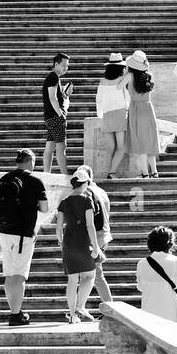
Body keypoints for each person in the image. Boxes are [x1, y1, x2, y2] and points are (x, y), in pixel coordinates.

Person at [0, 148, 50, 326]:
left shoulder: (3, 179)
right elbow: (45, 208)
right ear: (30, 161)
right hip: (23, 233)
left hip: (5, 231)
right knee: (19, 275)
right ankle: (15, 314)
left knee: (9, 275)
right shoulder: (34, 181)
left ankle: (14, 311)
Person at [55, 168, 102, 323]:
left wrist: (61, 243)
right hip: (83, 241)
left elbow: (58, 227)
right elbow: (90, 225)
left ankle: (72, 314)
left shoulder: (64, 202)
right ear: (85, 183)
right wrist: (95, 247)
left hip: (68, 242)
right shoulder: (87, 200)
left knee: (72, 280)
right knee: (89, 275)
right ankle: (80, 307)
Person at [135, 226, 177, 323]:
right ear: (169, 243)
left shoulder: (141, 263)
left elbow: (140, 287)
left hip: (149, 308)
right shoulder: (175, 261)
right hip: (171, 308)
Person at [78, 165, 114, 303]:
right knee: (95, 275)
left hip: (94, 237)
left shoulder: (86, 192)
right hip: (104, 235)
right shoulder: (101, 191)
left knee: (95, 276)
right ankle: (79, 307)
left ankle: (110, 309)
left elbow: (87, 220)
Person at [125, 50, 161, 177]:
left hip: (135, 109)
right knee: (149, 142)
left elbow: (119, 87)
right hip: (148, 108)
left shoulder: (130, 77)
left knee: (140, 144)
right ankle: (155, 172)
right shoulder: (149, 77)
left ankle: (145, 174)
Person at [96, 53, 131, 178]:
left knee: (110, 147)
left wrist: (99, 114)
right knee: (120, 148)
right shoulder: (122, 80)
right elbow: (128, 98)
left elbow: (98, 99)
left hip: (106, 114)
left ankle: (108, 172)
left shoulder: (103, 81)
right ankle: (111, 172)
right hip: (120, 114)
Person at [41, 52, 73, 178]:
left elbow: (57, 98)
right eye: (64, 65)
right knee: (61, 147)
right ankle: (65, 175)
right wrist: (61, 115)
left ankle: (46, 174)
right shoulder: (53, 77)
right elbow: (52, 98)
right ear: (56, 64)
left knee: (50, 146)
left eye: (67, 66)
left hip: (50, 116)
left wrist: (66, 94)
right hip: (55, 117)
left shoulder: (54, 78)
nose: (66, 68)